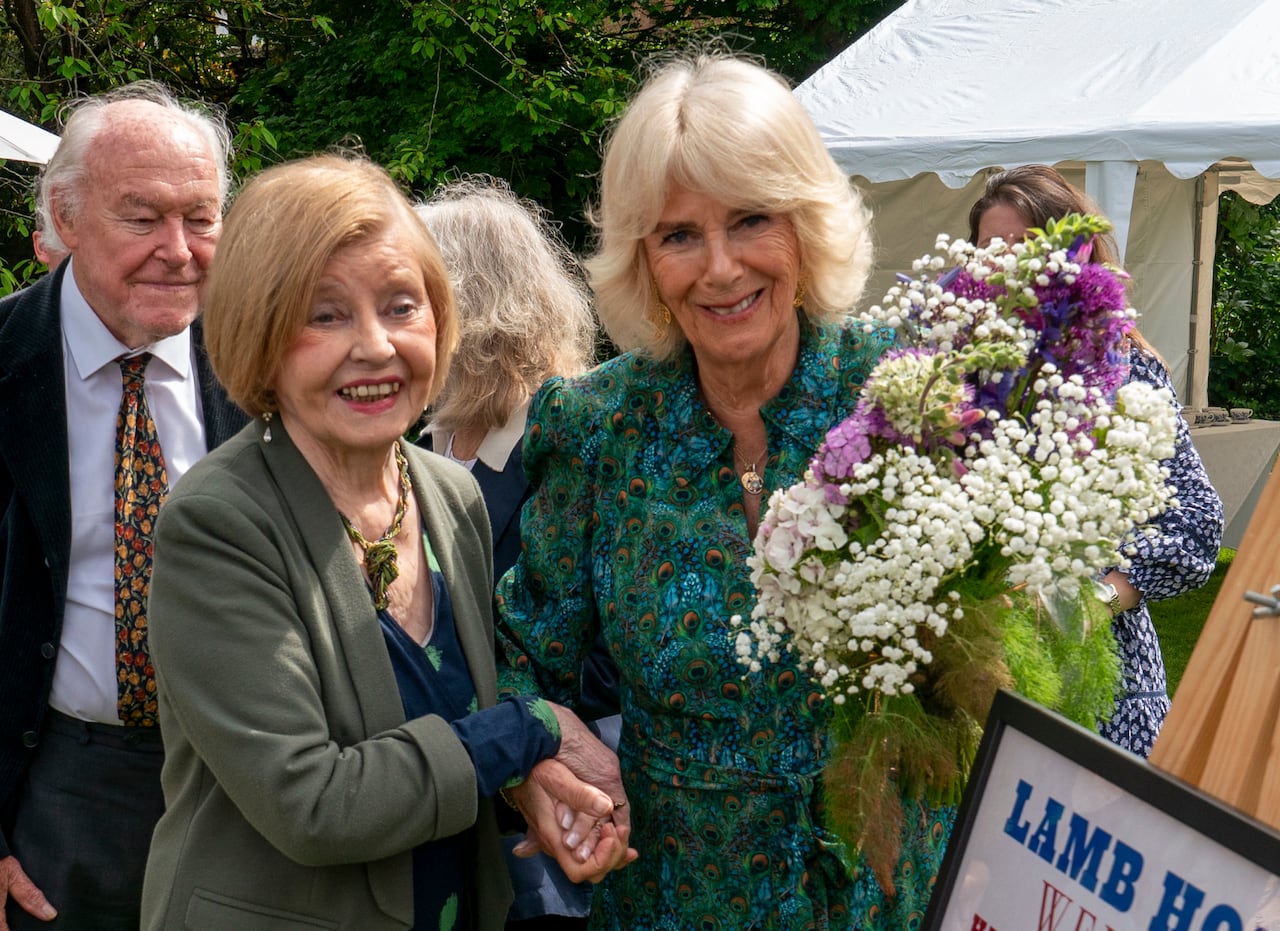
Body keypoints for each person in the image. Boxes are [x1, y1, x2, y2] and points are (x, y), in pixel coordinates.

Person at [494, 50, 947, 928]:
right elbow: (522, 656)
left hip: (885, 890)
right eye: (678, 235)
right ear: (643, 258)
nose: (721, 268)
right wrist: (539, 766)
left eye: (751, 220)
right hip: (673, 895)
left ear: (806, 224)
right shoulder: (596, 426)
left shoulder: (905, 397)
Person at [140, 153, 634, 931]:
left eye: (402, 306)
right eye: (325, 314)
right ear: (260, 333)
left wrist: (531, 786)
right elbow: (314, 803)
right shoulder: (218, 521)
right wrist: (530, 728)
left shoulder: (449, 494)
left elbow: (450, 723)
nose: (374, 346)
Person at [0, 81, 248, 931]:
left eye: (202, 218)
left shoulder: (269, 367)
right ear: (65, 218)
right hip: (56, 782)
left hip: (247, 779)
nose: (179, 250)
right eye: (142, 217)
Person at [968, 163, 1225, 757]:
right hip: (978, 680)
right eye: (989, 247)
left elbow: (1193, 528)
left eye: (1026, 245)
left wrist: (1093, 601)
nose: (1004, 262)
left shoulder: (1122, 369)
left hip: (1105, 688)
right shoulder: (956, 374)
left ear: (1075, 256)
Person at [416, 176, 617, 930]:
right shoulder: (425, 440)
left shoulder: (567, 443)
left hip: (558, 828)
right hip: (450, 811)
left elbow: (608, 650)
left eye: (412, 289)